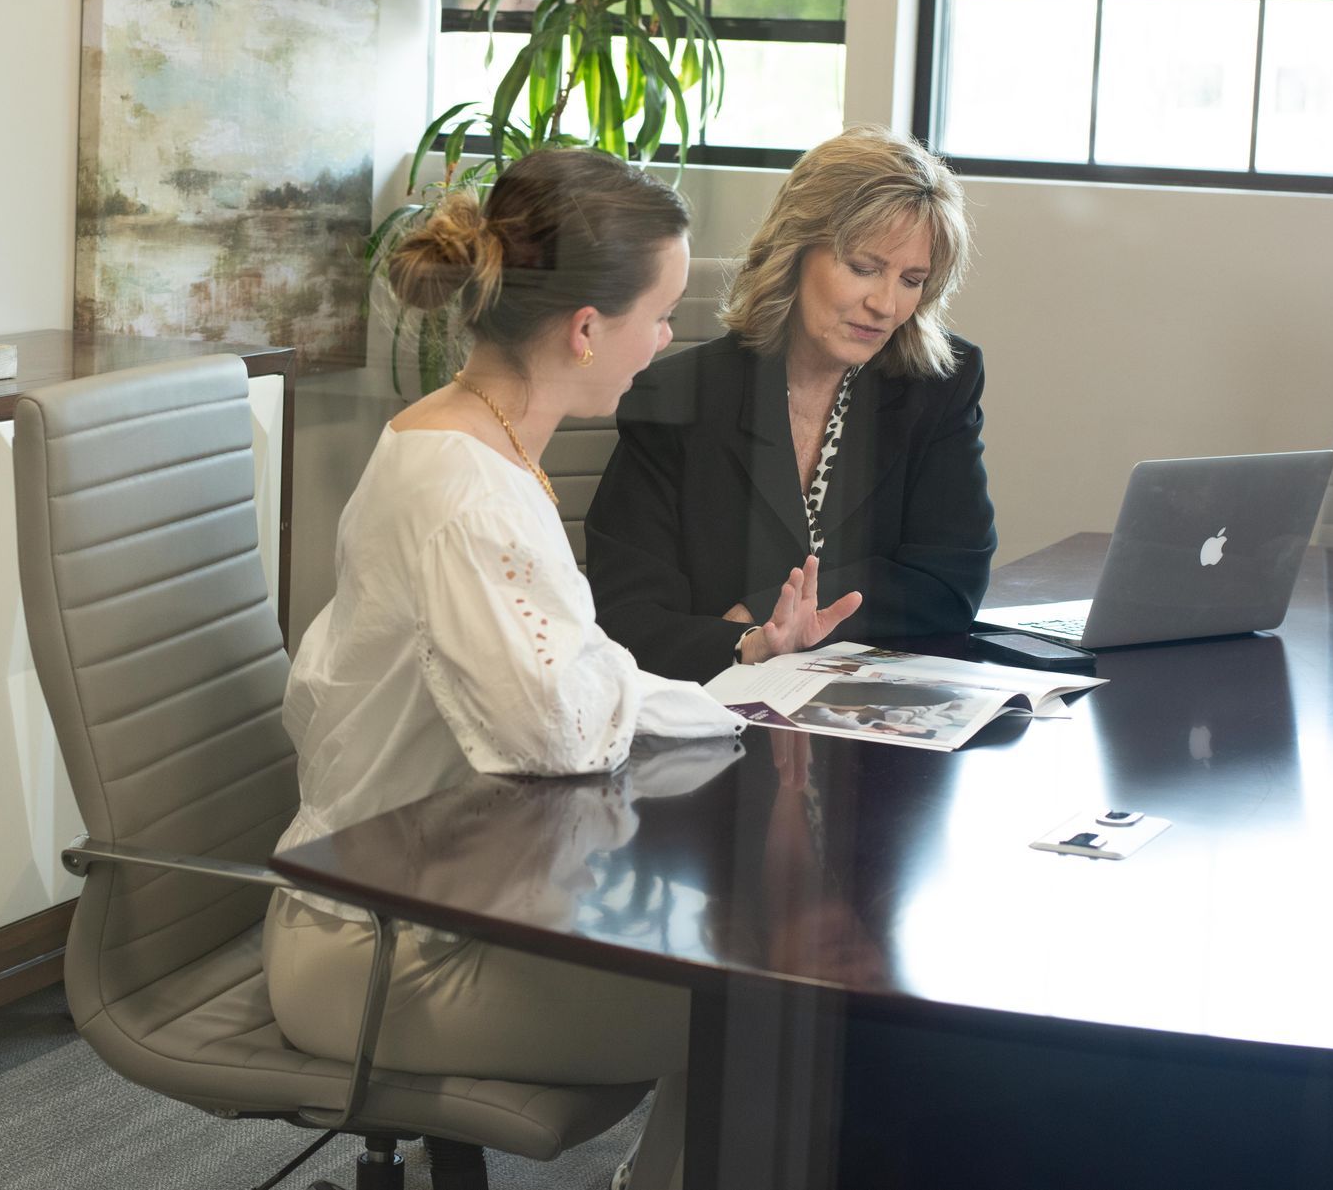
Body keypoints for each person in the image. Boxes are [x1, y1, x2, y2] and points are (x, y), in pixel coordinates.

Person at [263, 147, 771, 1190]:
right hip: (378, 952)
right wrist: (677, 703)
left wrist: (728, 709)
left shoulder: (475, 442)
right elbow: (559, 736)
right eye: (662, 315)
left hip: (439, 894)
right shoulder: (472, 497)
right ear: (588, 331)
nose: (667, 340)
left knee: (746, 981)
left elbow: (590, 682)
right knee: (762, 1012)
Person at [585, 125, 997, 683]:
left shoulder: (936, 383)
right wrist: (748, 645)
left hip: (874, 720)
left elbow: (950, 582)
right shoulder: (675, 397)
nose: (885, 304)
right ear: (796, 250)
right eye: (864, 267)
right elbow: (627, 621)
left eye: (912, 279)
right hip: (711, 714)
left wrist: (760, 609)